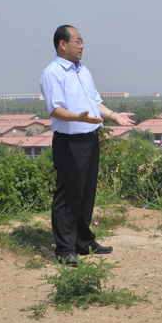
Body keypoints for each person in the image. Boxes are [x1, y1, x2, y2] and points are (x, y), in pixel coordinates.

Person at [40, 25, 134, 267]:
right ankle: (64, 248)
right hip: (69, 140)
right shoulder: (53, 73)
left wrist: (114, 116)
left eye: (83, 41)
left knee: (86, 193)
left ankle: (83, 241)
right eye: (77, 41)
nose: (82, 46)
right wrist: (78, 118)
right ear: (63, 44)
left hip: (90, 136)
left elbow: (95, 103)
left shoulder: (83, 71)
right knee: (68, 194)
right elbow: (55, 109)